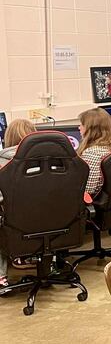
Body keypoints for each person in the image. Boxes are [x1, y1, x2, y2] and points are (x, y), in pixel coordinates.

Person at [0, 119, 37, 288]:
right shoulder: (50, 157)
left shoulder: (2, 162)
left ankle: (1, 277)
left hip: (14, 224)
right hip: (51, 220)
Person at [76, 108, 111, 197]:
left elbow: (88, 189)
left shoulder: (92, 153)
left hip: (95, 200)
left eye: (82, 125)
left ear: (91, 129)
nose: (79, 128)